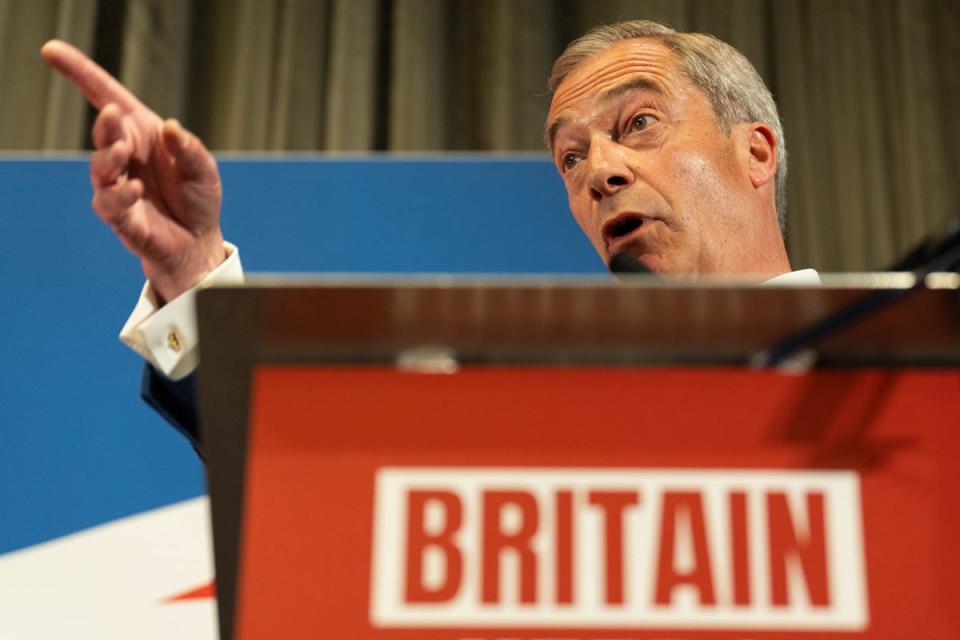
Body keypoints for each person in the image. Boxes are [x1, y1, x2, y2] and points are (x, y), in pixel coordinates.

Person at [40, 19, 818, 450]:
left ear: (756, 151)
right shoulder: (542, 423)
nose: (598, 172)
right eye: (570, 158)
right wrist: (194, 269)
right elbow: (310, 470)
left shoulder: (924, 376)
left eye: (638, 123)